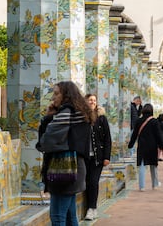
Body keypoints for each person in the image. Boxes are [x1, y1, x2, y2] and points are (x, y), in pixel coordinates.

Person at [36, 81, 95, 226]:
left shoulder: (66, 114)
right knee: (69, 216)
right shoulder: (80, 113)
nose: (53, 98)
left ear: (66, 95)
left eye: (56, 94)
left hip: (64, 169)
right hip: (76, 168)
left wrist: (48, 117)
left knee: (57, 216)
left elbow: (46, 141)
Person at [84, 94, 112, 221]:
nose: (92, 102)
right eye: (90, 100)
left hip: (98, 157)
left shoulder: (101, 118)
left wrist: (107, 157)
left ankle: (92, 208)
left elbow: (107, 139)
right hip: (84, 157)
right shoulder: (82, 117)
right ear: (85, 101)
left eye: (94, 100)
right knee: (86, 182)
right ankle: (89, 207)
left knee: (93, 182)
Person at [128, 103, 163, 191]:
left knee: (142, 166)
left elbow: (134, 134)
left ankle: (142, 186)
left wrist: (130, 144)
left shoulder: (139, 121)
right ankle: (155, 184)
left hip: (142, 146)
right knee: (153, 166)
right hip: (152, 146)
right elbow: (158, 135)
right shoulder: (154, 121)